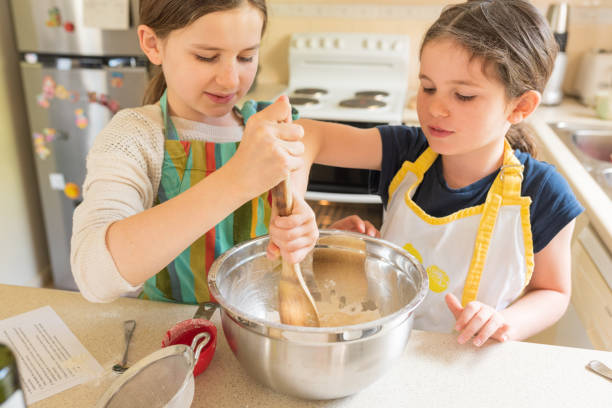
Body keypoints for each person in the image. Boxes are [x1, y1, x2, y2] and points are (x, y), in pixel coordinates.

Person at [269, 0, 584, 346]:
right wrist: (295, 206)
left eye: (463, 96)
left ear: (520, 106)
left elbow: (553, 292)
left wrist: (504, 322)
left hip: (473, 364)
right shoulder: (407, 153)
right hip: (387, 350)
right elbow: (306, 134)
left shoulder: (542, 192)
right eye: (428, 87)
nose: (434, 108)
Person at [70, 0, 317, 304]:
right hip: (172, 338)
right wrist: (236, 180)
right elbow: (94, 277)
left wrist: (300, 219)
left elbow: (345, 143)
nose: (230, 79)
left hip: (260, 329)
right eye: (206, 57)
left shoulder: (266, 125)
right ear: (152, 44)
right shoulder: (135, 135)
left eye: (246, 56)